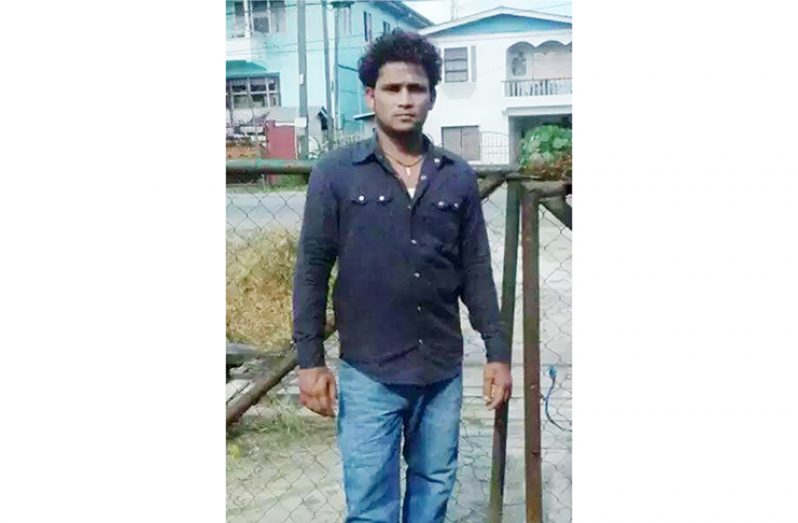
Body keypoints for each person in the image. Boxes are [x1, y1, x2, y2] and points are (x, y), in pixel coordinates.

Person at [292, 29, 512, 523]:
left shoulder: (456, 176)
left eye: (417, 89)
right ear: (371, 96)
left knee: (433, 494)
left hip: (440, 372)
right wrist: (309, 361)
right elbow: (311, 272)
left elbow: (476, 270)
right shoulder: (337, 173)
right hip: (369, 371)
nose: (406, 99)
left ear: (432, 96)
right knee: (372, 507)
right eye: (393, 89)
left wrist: (497, 353)